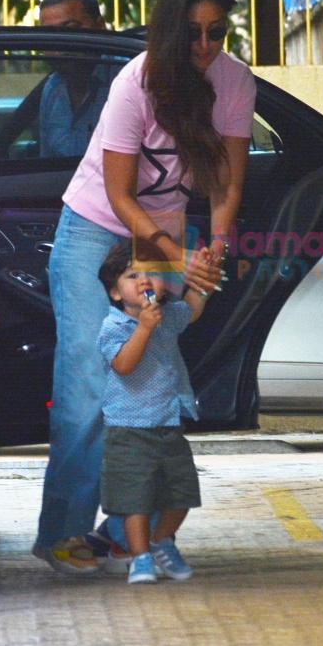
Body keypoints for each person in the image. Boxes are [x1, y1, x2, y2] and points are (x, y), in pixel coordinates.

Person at [33, 0, 252, 574]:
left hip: (165, 229)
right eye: (193, 33)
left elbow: (227, 181)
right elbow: (122, 195)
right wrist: (178, 254)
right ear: (170, 31)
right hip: (95, 224)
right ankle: (64, 535)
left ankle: (123, 529)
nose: (205, 47)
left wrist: (215, 249)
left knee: (151, 369)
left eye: (217, 32)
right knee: (86, 380)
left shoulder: (233, 82)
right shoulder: (137, 83)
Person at [94, 240, 213, 583]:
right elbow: (124, 365)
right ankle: (140, 557)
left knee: (182, 491)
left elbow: (192, 307)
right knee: (135, 499)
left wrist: (203, 281)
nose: (145, 281)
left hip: (167, 422)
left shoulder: (167, 317)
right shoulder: (113, 327)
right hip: (128, 428)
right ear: (116, 293)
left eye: (153, 274)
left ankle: (162, 540)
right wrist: (144, 327)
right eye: (133, 276)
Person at [0, 0, 113, 160]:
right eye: (50, 34)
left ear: (100, 26)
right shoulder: (52, 89)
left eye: (71, 29)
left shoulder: (125, 81)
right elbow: (46, 167)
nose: (59, 45)